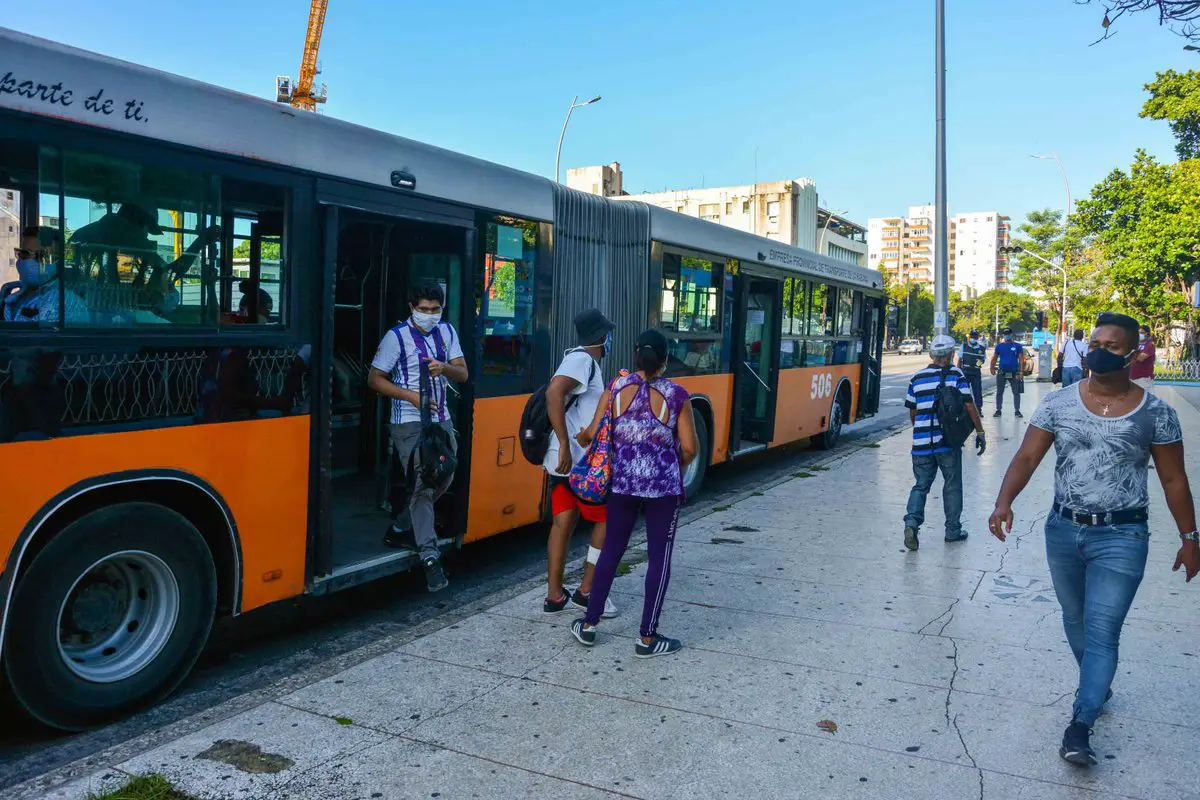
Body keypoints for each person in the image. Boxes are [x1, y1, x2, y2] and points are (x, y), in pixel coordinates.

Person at [988, 312, 1199, 767]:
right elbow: (1027, 457)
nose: (1099, 350)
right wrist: (1004, 502)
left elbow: (1175, 481)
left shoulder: (1156, 413)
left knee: (1103, 631)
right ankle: (1097, 686)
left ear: (1134, 352)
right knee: (1075, 618)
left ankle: (1080, 723)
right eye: (1095, 341)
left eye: (1112, 344)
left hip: (1123, 533)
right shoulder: (1059, 404)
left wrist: (1190, 537)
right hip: (1063, 529)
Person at [571, 329, 698, 658]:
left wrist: (583, 438)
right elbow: (690, 449)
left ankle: (588, 625)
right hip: (663, 490)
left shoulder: (615, 389)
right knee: (660, 558)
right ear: (666, 359)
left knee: (611, 550)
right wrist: (668, 463)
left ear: (635, 354)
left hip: (621, 487)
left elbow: (592, 435)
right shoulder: (677, 395)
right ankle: (647, 638)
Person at [367, 285, 468, 593]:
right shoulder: (395, 337)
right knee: (424, 483)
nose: (429, 315)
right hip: (408, 423)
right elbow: (374, 379)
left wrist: (445, 367)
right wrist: (410, 396)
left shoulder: (447, 332)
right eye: (423, 309)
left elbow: (462, 374)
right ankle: (429, 557)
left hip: (441, 420)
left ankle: (401, 525)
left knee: (445, 475)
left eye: (435, 309)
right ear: (412, 307)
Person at [542, 308, 617, 618]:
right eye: (608, 335)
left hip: (566, 462)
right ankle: (587, 592)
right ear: (601, 337)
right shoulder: (583, 360)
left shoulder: (579, 360)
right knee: (607, 521)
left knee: (564, 522)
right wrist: (563, 443)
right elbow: (553, 393)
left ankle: (555, 597)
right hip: (580, 463)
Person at [902, 334, 986, 551]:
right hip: (947, 442)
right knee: (952, 485)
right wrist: (980, 431)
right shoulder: (956, 375)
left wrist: (921, 430)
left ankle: (911, 523)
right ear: (951, 355)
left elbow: (913, 411)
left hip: (921, 443)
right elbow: (969, 405)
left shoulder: (917, 378)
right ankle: (952, 530)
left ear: (931, 354)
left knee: (921, 485)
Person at [3, 227, 89, 324]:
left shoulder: (68, 302)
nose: (29, 261)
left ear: (57, 261)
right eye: (24, 254)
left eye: (40, 256)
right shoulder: (12, 297)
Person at [990, 327, 1026, 418]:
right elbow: (994, 357)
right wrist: (992, 367)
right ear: (1003, 335)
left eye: (1008, 334)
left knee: (1016, 392)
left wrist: (1021, 372)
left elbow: (1021, 359)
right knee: (999, 392)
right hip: (1002, 372)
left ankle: (1017, 411)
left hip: (1014, 373)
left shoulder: (1017, 346)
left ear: (1011, 335)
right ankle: (998, 410)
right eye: (1005, 335)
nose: (1007, 336)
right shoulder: (999, 346)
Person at [957, 329, 987, 410]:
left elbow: (983, 360)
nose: (973, 338)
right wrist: (958, 371)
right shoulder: (964, 346)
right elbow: (960, 359)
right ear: (969, 337)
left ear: (977, 338)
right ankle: (961, 408)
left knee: (977, 392)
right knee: (962, 391)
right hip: (965, 372)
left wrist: (976, 365)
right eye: (972, 336)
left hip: (976, 373)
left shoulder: (981, 348)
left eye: (975, 337)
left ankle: (978, 409)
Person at [1130, 324, 1156, 394]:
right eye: (1138, 333)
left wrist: (1130, 354)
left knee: (1146, 400)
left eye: (1141, 333)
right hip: (1132, 377)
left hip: (1143, 378)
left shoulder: (1150, 345)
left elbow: (1140, 358)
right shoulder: (1135, 344)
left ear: (1147, 334)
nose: (1139, 335)